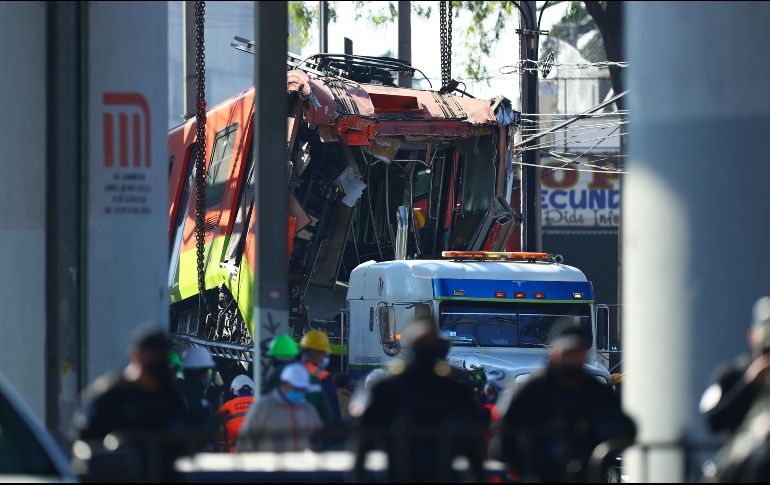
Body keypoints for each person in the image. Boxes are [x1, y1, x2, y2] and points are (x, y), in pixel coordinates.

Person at [497, 324, 636, 482]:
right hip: (540, 473)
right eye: (567, 352)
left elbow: (624, 428)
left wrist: (600, 454)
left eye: (577, 352)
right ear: (553, 351)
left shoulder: (596, 391)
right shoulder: (531, 390)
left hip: (586, 474)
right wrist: (523, 470)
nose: (572, 358)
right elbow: (503, 435)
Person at [354, 319, 488, 483]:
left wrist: (359, 473)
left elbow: (364, 438)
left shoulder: (389, 386)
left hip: (406, 473)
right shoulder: (453, 386)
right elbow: (473, 442)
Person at [70, 324, 191, 481]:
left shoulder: (171, 399)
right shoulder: (109, 396)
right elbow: (82, 443)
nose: (159, 366)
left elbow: (187, 441)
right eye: (154, 358)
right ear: (137, 357)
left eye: (163, 359)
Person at [700, 296, 770, 435]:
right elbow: (712, 420)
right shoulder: (732, 374)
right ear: (752, 335)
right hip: (746, 446)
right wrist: (749, 384)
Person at [236, 362, 322, 452]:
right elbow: (244, 444)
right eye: (297, 388)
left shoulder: (308, 410)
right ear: (284, 384)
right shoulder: (262, 408)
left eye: (303, 390)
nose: (300, 392)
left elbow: (318, 439)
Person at [178, 346, 219, 449]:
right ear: (198, 372)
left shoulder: (193, 393)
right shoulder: (190, 396)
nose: (208, 375)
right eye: (206, 371)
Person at [300, 330, 340, 424]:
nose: (326, 357)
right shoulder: (321, 377)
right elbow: (332, 410)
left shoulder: (290, 372)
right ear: (315, 353)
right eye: (325, 354)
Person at [218, 375, 255, 453]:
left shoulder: (228, 404)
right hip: (257, 451)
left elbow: (216, 418)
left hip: (235, 453)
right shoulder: (258, 402)